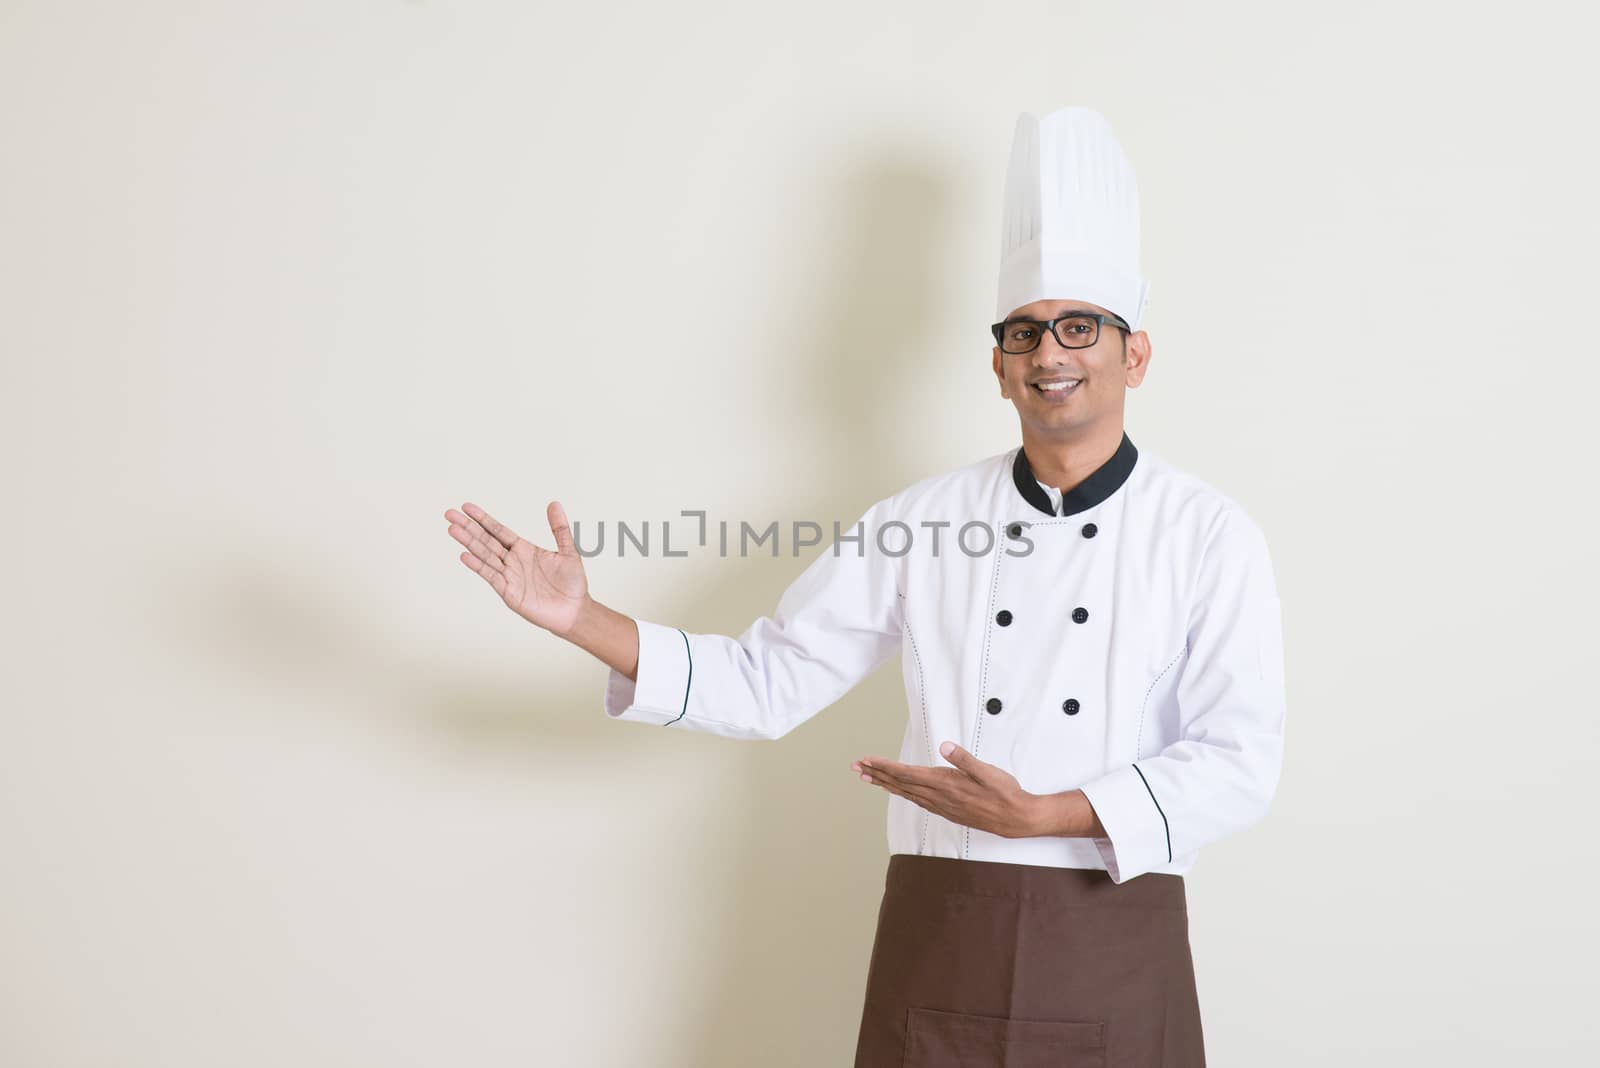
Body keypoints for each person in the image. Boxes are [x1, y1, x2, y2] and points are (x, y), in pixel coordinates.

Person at [443, 105, 1285, 1067]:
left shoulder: (1207, 534)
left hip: (1112, 934)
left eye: (1080, 328)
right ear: (999, 368)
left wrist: (1047, 815)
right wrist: (582, 618)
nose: (1050, 355)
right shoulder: (917, 522)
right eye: (1024, 334)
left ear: (1134, 353)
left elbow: (1237, 761)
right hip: (942, 929)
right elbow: (768, 681)